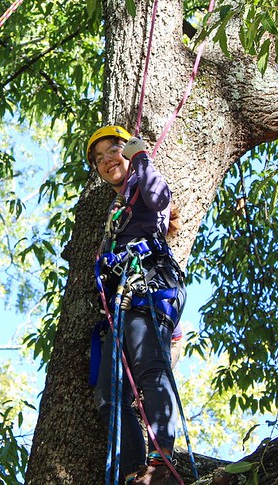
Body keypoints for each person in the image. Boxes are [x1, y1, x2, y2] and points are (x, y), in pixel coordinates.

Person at [87, 125, 187, 485]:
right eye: (98, 159)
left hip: (149, 285)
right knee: (109, 394)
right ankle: (134, 472)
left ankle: (161, 464)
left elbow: (161, 199)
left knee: (148, 370)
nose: (106, 161)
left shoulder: (144, 187)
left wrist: (141, 155)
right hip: (122, 303)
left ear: (126, 151)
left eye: (112, 151)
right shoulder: (117, 209)